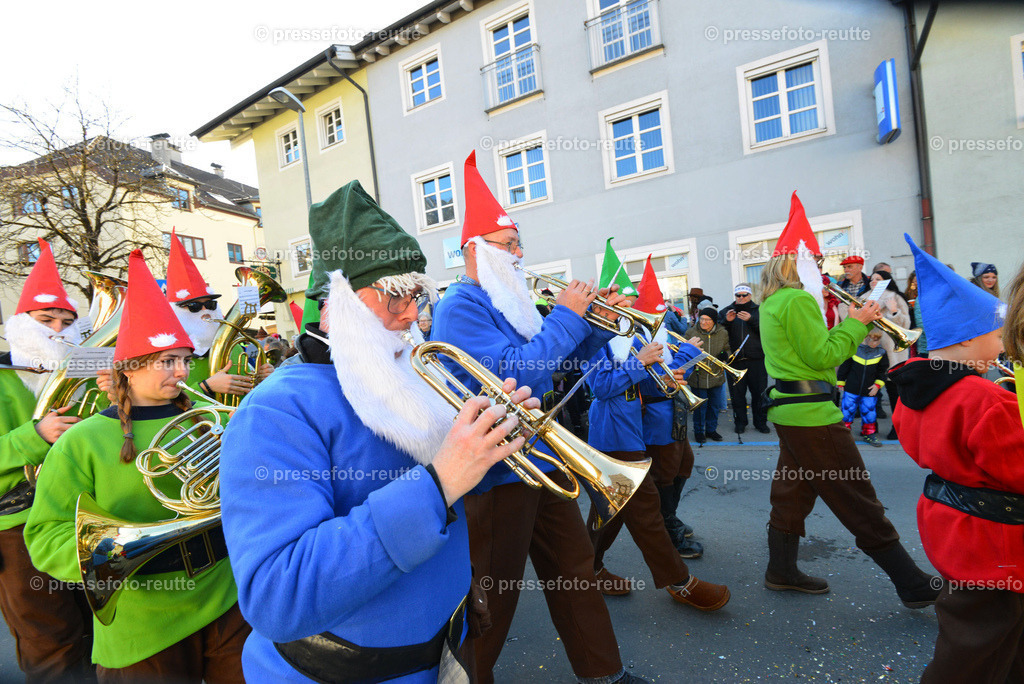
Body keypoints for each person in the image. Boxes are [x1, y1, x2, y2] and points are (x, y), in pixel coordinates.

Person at [217, 180, 541, 683]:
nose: (413, 313)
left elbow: (451, 499)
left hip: (448, 650)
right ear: (335, 303)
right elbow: (276, 595)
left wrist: (489, 446)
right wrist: (440, 484)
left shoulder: (411, 377)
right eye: (393, 296)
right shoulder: (276, 410)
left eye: (415, 294)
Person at [431, 152, 647, 684]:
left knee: (574, 571)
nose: (521, 254)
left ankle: (605, 675)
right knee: (494, 597)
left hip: (541, 456)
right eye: (509, 246)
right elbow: (518, 374)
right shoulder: (462, 304)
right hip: (498, 470)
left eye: (518, 244)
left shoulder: (514, 303)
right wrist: (570, 317)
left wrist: (597, 323)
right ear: (474, 251)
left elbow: (563, 363)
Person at [25, 249, 249, 683]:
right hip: (141, 614)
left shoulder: (214, 418)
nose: (181, 371)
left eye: (184, 359)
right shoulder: (82, 441)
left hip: (226, 595)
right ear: (127, 368)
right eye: (167, 361)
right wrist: (115, 556)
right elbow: (45, 535)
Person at [758, 192, 939, 608]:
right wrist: (858, 323)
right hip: (812, 415)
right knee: (857, 496)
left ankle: (781, 571)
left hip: (792, 411)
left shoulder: (773, 302)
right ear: (798, 264)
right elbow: (824, 356)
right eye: (816, 262)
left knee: (792, 493)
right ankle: (911, 583)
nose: (820, 270)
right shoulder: (799, 299)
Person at [890, 234, 1022, 682]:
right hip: (994, 538)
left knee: (993, 628)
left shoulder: (912, 392)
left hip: (947, 521)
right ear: (967, 343)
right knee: (978, 636)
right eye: (995, 334)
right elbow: (1016, 470)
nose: (1002, 344)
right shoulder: (988, 401)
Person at [0, 238, 94, 682]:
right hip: (15, 524)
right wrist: (33, 436)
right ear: (21, 324)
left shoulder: (81, 374)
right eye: (46, 319)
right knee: (49, 633)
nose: (58, 329)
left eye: (67, 321)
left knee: (94, 620)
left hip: (77, 513)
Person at [719, 283, 769, 435]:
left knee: (759, 394)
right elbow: (718, 333)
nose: (741, 298)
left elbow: (768, 332)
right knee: (737, 396)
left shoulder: (760, 310)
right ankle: (740, 423)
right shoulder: (726, 311)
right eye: (738, 295)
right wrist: (726, 321)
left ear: (750, 295)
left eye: (744, 295)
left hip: (757, 360)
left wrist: (752, 320)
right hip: (735, 361)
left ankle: (760, 423)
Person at [866, 270, 911, 437]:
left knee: (894, 392)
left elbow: (906, 323)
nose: (873, 281)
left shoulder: (895, 297)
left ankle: (898, 426)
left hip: (892, 351)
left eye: (878, 279)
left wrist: (893, 311)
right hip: (871, 349)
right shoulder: (865, 297)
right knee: (870, 390)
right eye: (871, 279)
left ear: (886, 281)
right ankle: (870, 427)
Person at [683, 308, 730, 443]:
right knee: (699, 407)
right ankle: (699, 431)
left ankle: (711, 430)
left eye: (707, 320)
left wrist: (725, 355)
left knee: (714, 406)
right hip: (698, 375)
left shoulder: (723, 333)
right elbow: (683, 349)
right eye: (701, 319)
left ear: (713, 321)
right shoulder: (691, 332)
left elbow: (727, 348)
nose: (703, 322)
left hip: (716, 375)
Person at [837, 331, 889, 447]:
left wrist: (877, 386)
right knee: (846, 413)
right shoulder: (854, 350)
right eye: (872, 340)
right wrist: (840, 382)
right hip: (851, 388)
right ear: (866, 338)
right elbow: (845, 366)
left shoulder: (881, 353)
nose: (875, 343)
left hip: (869, 390)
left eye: (877, 340)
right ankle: (844, 435)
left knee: (870, 414)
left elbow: (883, 372)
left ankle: (869, 434)